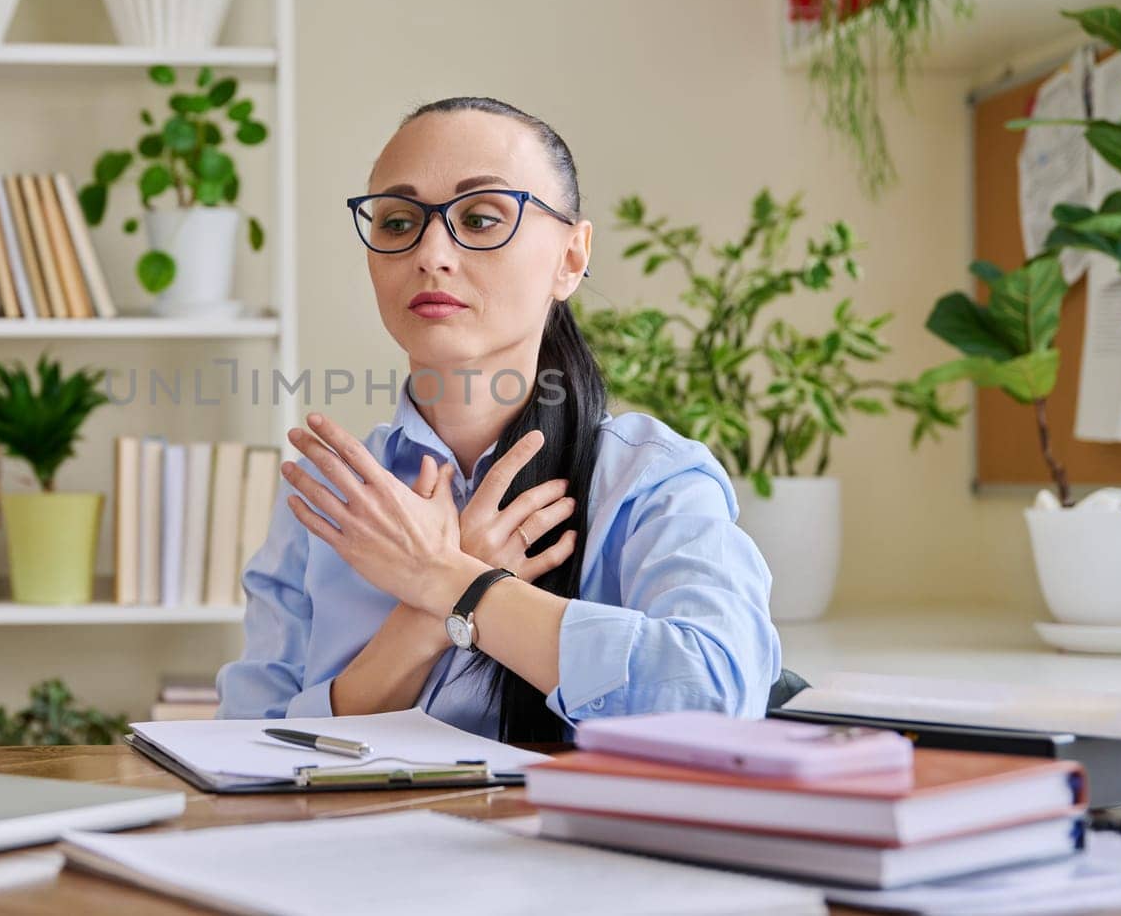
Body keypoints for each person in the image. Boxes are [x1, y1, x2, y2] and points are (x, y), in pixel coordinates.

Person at [216, 96, 780, 742]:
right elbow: (240, 751)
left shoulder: (652, 480)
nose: (432, 252)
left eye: (481, 218)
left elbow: (715, 696)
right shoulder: (325, 499)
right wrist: (425, 619)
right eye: (399, 222)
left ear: (571, 257)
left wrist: (454, 580)